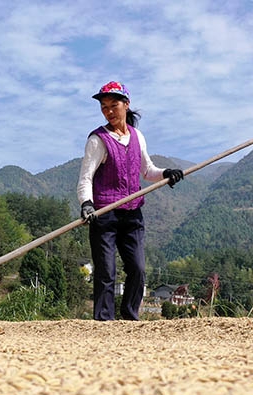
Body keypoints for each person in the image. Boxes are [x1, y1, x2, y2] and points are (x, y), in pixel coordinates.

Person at [77, 81, 184, 321]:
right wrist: (87, 203)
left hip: (133, 213)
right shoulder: (98, 140)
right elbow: (85, 178)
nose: (109, 111)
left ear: (126, 105)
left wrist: (167, 173)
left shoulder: (138, 137)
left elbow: (147, 170)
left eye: (114, 105)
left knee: (138, 268)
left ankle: (129, 317)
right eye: (104, 107)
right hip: (104, 214)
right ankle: (105, 321)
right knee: (106, 271)